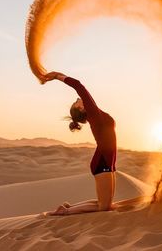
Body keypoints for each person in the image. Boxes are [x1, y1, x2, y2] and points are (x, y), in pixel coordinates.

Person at [42, 72, 117, 215]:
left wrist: (113, 165)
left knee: (106, 204)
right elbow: (78, 85)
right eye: (77, 101)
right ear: (81, 108)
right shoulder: (93, 113)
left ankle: (68, 207)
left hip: (108, 162)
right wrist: (57, 76)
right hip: (102, 163)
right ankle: (64, 212)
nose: (78, 98)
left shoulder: (96, 113)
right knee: (104, 207)